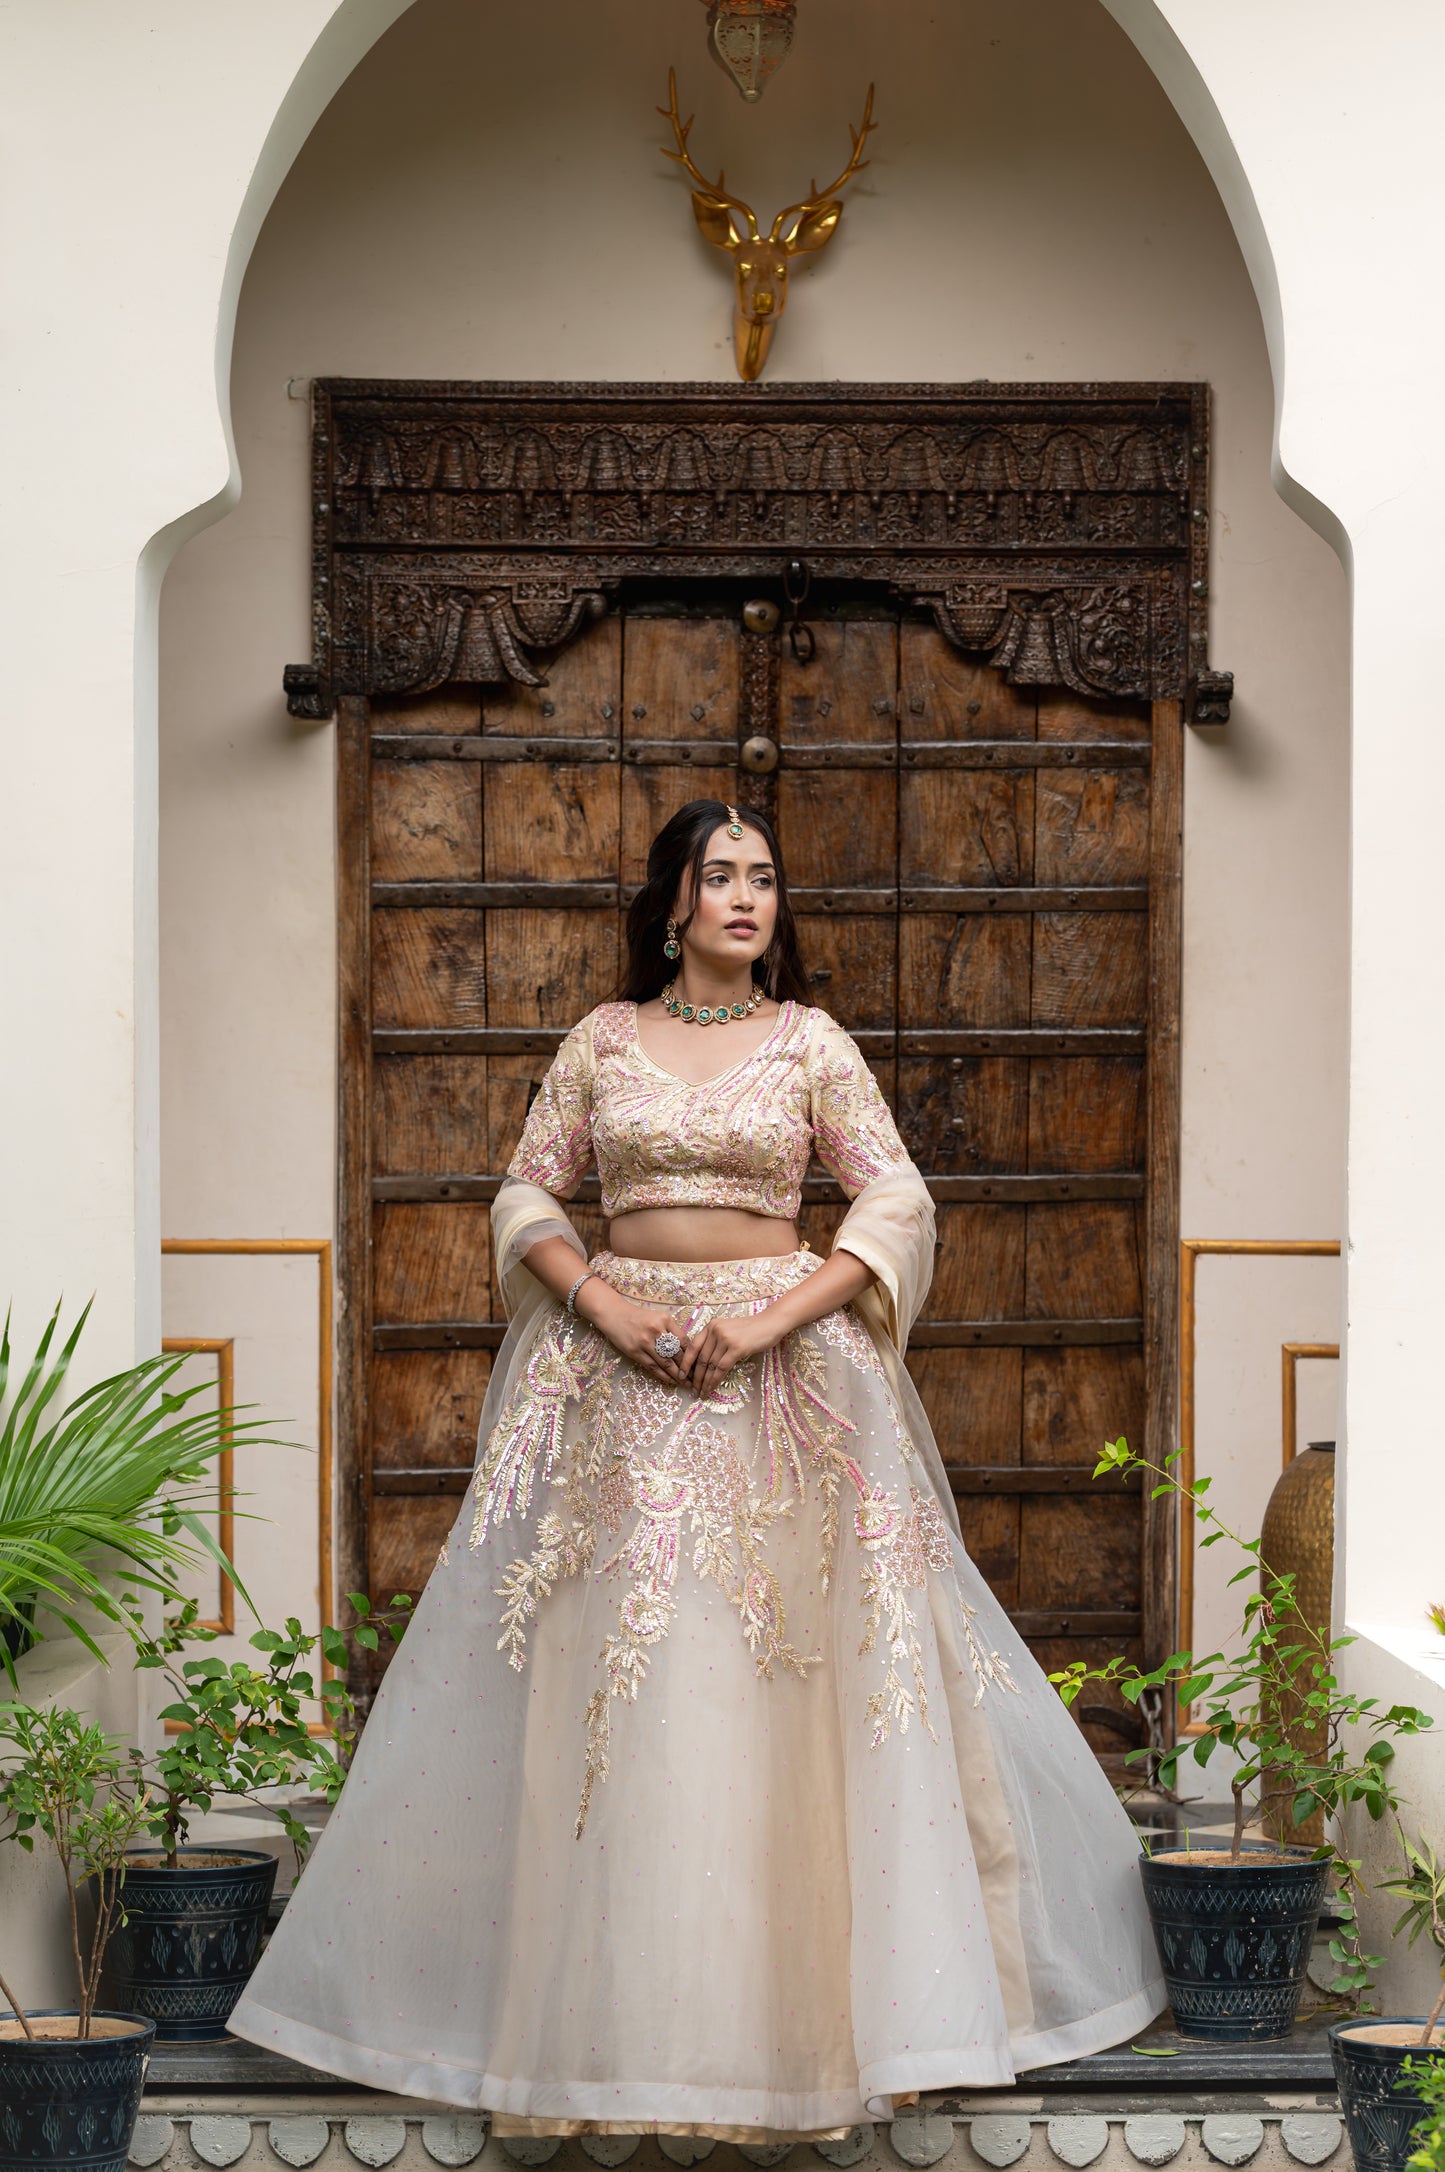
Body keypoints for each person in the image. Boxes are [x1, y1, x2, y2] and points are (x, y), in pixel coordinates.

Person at [229, 799, 1166, 2139]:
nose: (745, 897)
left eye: (763, 878)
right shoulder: (602, 1040)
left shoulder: (810, 1044)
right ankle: (614, 2039)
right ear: (671, 899)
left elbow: (894, 1198)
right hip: (620, 1384)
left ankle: (820, 2031)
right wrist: (605, 1309)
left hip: (781, 1384)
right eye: (719, 875)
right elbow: (526, 1194)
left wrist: (765, 1321)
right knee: (635, 1691)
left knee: (778, 1685)